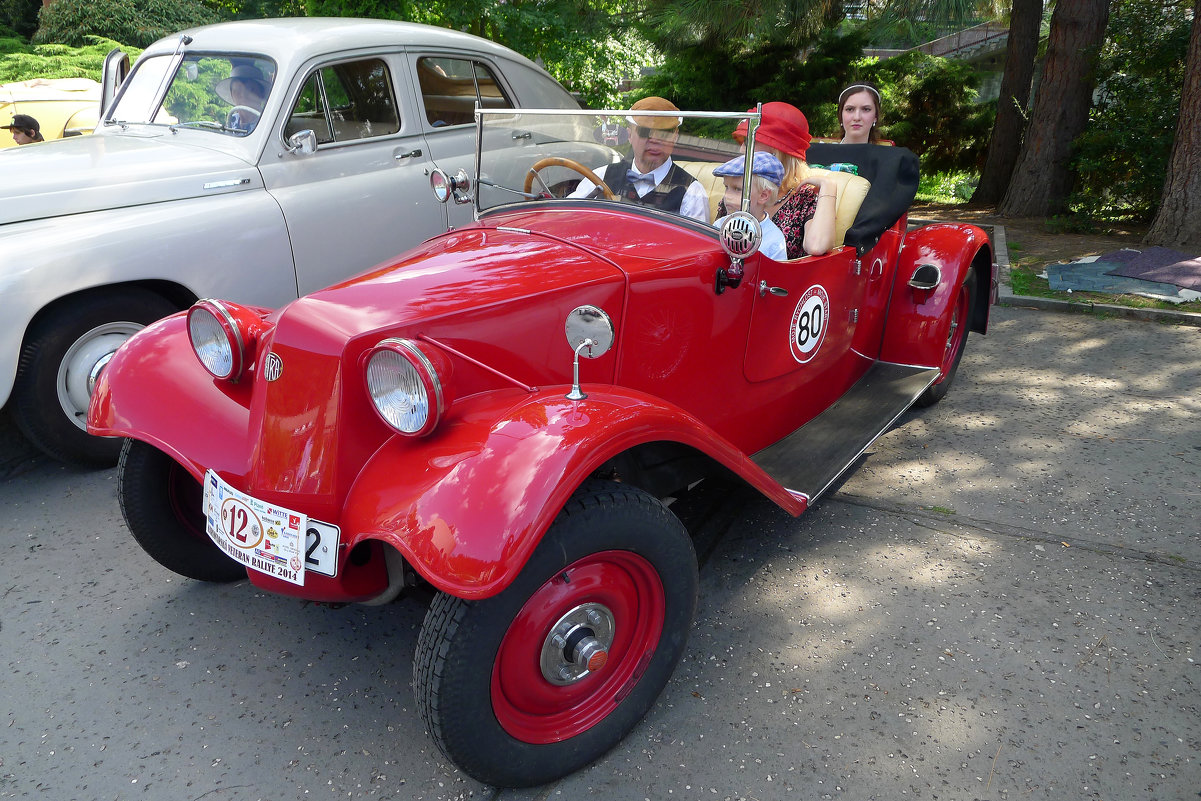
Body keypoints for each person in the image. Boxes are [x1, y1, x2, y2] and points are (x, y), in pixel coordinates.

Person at [569, 96, 710, 222]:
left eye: (664, 133)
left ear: (675, 137)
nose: (654, 140)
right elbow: (566, 218)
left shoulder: (691, 192)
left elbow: (696, 248)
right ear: (629, 135)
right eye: (645, 131)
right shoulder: (600, 176)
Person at [727, 102, 839, 258]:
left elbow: (817, 246)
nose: (741, 150)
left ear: (776, 150)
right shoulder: (741, 186)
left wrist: (829, 185)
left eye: (749, 142)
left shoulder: (804, 197)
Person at [712, 152, 788, 261]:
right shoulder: (719, 225)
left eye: (738, 189)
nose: (727, 196)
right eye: (726, 187)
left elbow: (775, 275)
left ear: (763, 195)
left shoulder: (774, 240)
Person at [215, 65, 270, 132]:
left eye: (250, 90)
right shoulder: (232, 119)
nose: (243, 95)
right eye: (237, 91)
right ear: (232, 95)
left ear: (261, 94)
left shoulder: (268, 122)